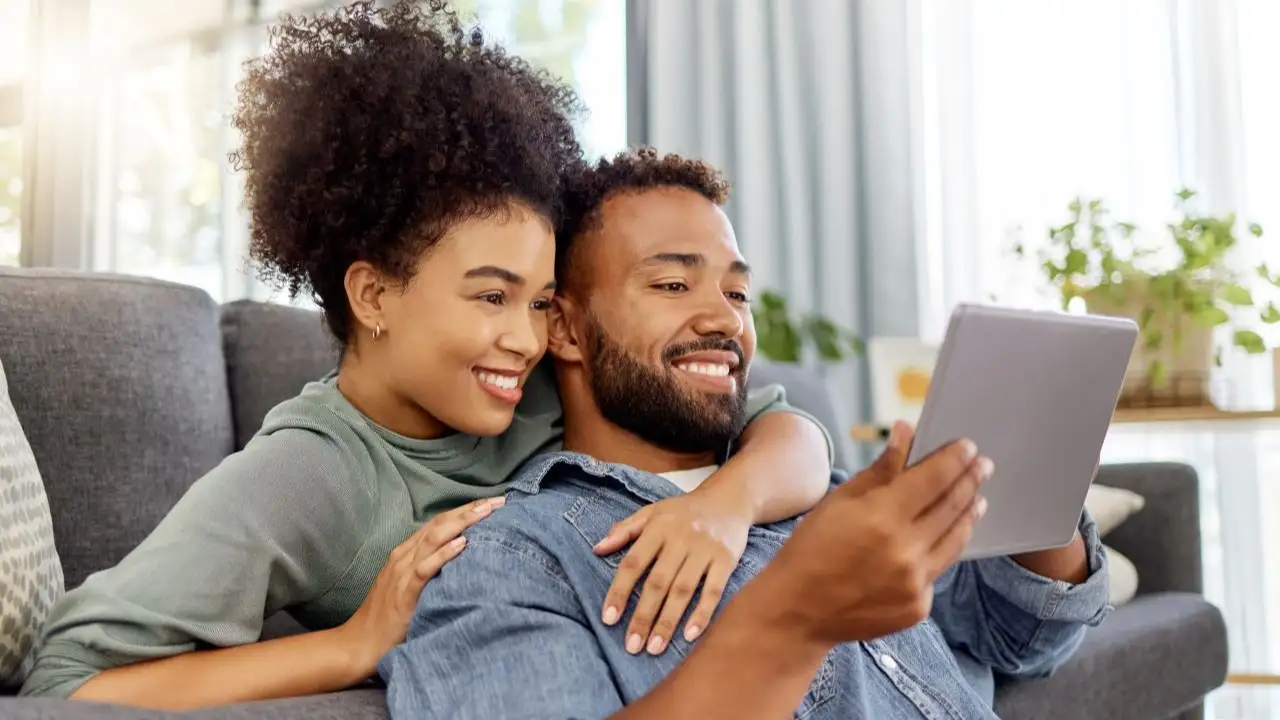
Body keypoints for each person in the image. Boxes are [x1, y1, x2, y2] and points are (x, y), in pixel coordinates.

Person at [19, 4, 834, 710]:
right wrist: (353, 644)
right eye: (490, 296)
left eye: (541, 300)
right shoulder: (311, 475)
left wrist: (725, 507)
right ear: (373, 297)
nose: (525, 337)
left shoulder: (544, 377)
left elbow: (786, 429)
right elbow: (67, 681)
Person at [379, 149, 1112, 719]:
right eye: (673, 285)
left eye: (737, 293)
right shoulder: (516, 559)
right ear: (565, 327)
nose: (725, 319)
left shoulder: (821, 499)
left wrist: (1035, 471)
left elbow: (1018, 638)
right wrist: (793, 616)